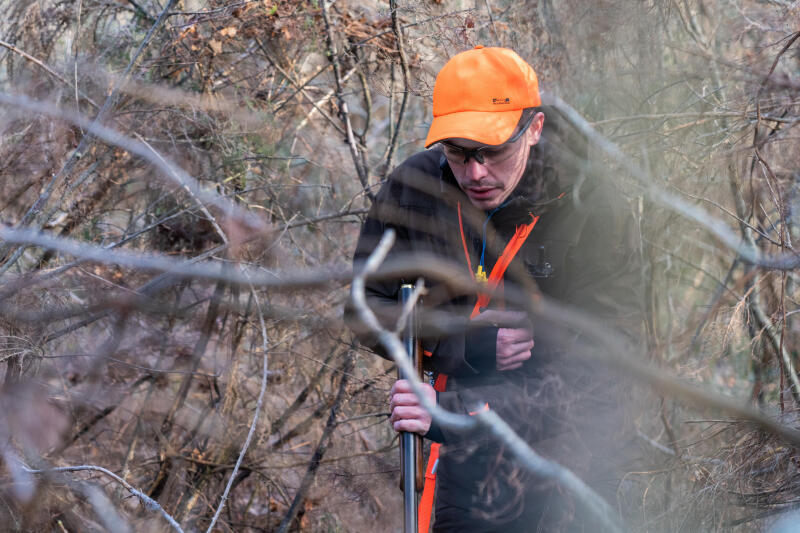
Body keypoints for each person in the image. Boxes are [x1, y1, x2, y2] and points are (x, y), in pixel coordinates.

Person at [349, 46, 644, 532]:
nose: (476, 173)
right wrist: (464, 341)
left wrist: (459, 412)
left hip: (569, 476)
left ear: (535, 129)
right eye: (458, 153)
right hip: (461, 477)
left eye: (493, 151)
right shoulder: (416, 187)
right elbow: (365, 309)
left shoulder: (595, 207)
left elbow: (609, 369)